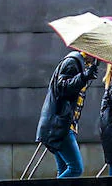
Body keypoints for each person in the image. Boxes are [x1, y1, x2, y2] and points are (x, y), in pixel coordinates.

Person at [35, 49, 102, 178]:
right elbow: (62, 87)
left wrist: (88, 73)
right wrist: (84, 76)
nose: (97, 58)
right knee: (76, 168)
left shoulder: (81, 64)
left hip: (60, 124)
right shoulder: (73, 62)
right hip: (60, 126)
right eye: (96, 54)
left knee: (64, 170)